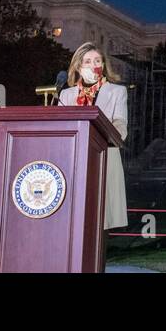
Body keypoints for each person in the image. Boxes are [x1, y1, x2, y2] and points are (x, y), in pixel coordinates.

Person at [56, 43, 128, 229]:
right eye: (87, 61)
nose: (93, 65)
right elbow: (59, 128)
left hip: (104, 157)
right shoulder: (66, 95)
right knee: (72, 219)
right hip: (72, 161)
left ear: (103, 65)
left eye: (97, 61)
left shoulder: (117, 92)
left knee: (99, 218)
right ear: (79, 67)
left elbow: (121, 126)